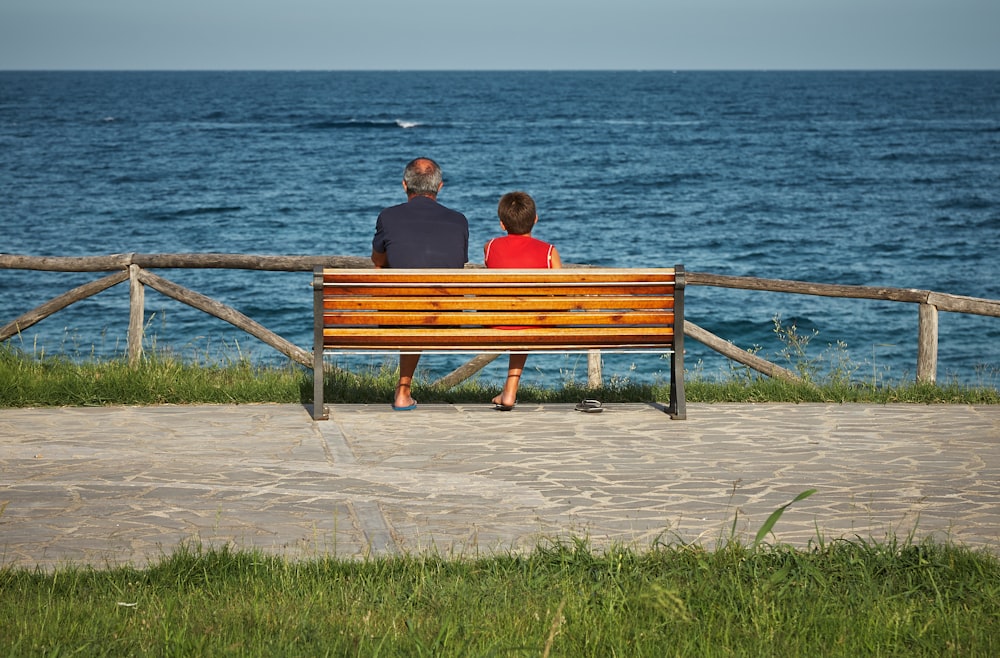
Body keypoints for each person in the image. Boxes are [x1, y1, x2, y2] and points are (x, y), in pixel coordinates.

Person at [372, 157, 469, 410]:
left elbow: (378, 260)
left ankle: (403, 391)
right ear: (439, 187)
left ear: (405, 186)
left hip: (400, 315)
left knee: (408, 304)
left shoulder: (388, 217)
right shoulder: (459, 220)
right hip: (447, 316)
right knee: (419, 303)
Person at [483, 191, 562, 411]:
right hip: (533, 322)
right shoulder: (549, 252)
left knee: (518, 316)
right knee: (526, 318)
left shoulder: (490, 247)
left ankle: (509, 390)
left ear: (502, 224)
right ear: (535, 219)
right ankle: (510, 389)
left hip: (497, 320)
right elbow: (561, 294)